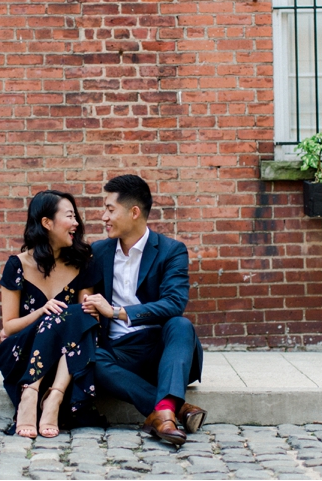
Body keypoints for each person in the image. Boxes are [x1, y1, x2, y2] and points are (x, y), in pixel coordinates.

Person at [82, 174, 206, 446]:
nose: (104, 216)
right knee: (91, 358)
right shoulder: (99, 251)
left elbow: (174, 303)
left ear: (134, 212)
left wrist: (116, 312)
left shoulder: (171, 251)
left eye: (110, 209)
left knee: (180, 324)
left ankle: (162, 410)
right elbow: (82, 291)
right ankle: (170, 409)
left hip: (160, 350)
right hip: (118, 353)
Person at [0, 190, 102, 438]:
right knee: (60, 313)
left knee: (79, 312)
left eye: (75, 217)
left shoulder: (83, 262)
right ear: (46, 223)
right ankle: (31, 393)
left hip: (64, 359)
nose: (76, 223)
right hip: (22, 352)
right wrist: (43, 311)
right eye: (69, 216)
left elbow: (86, 317)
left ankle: (52, 397)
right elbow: (9, 327)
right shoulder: (17, 265)